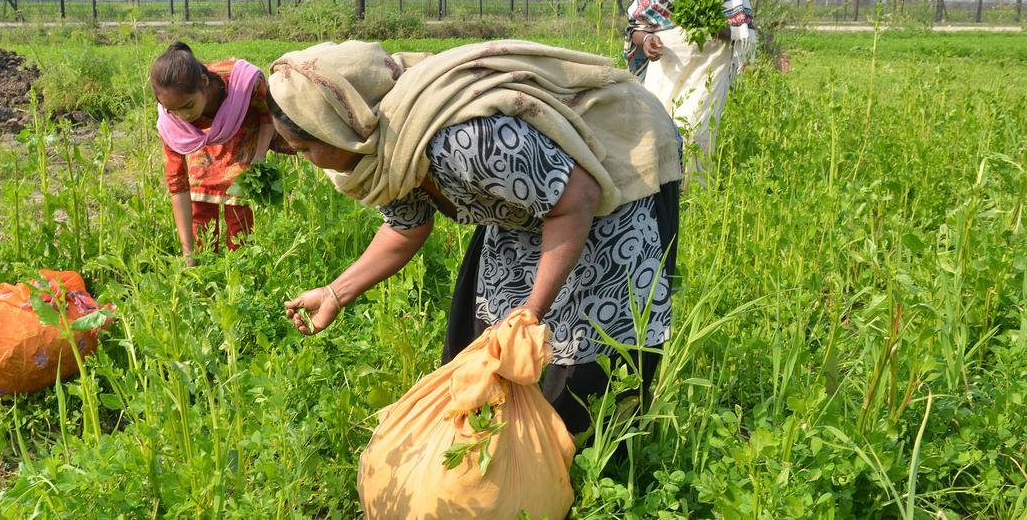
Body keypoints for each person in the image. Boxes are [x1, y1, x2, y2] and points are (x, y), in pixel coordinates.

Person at [268, 39, 682, 433]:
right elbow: (405, 227)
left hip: (612, 181)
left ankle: (586, 473)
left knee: (582, 360)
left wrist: (531, 313)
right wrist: (336, 293)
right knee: (490, 347)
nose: (306, 162)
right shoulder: (386, 154)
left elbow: (577, 200)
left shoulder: (463, 138)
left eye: (305, 149)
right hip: (534, 202)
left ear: (341, 126)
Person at [623, 0, 756, 178]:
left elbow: (739, 25)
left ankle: (693, 199)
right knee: (656, 130)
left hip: (707, 65)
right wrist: (646, 41)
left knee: (695, 132)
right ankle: (660, 197)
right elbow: (634, 26)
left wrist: (708, 24)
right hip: (664, 66)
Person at [151, 42, 279, 265]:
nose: (183, 116)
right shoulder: (173, 123)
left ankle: (240, 269)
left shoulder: (242, 86)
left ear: (203, 82)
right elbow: (178, 184)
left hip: (242, 128)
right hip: (201, 143)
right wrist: (188, 253)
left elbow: (268, 113)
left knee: (238, 211)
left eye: (188, 106)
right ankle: (204, 265)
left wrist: (258, 157)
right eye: (174, 110)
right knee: (200, 205)